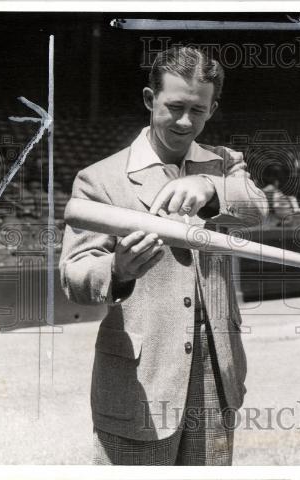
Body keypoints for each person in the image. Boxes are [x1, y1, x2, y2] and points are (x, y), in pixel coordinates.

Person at [59, 46, 267, 465]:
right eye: (174, 106)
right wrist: (117, 270)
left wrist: (212, 189)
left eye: (199, 110)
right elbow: (74, 275)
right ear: (149, 99)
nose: (186, 121)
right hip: (140, 381)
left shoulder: (224, 164)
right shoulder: (100, 178)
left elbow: (257, 209)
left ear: (213, 109)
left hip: (215, 374)